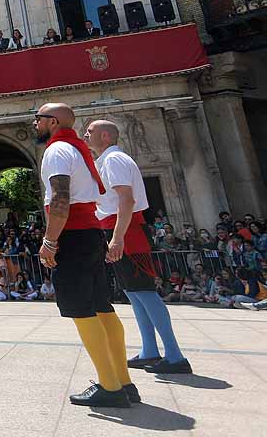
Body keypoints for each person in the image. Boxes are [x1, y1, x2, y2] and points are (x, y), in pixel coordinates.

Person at [35, 103, 134, 407]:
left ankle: (110, 386)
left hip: (73, 236)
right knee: (101, 306)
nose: (35, 124)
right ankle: (123, 381)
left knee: (81, 310)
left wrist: (50, 241)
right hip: (92, 235)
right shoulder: (78, 150)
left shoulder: (57, 151)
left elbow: (61, 199)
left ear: (52, 122)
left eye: (38, 119)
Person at [86, 119, 190, 375]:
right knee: (133, 293)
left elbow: (126, 199)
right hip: (117, 229)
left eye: (90, 132)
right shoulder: (108, 160)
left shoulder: (114, 160)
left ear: (106, 136)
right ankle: (150, 351)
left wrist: (118, 238)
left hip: (126, 231)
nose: (85, 135)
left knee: (144, 291)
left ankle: (175, 355)